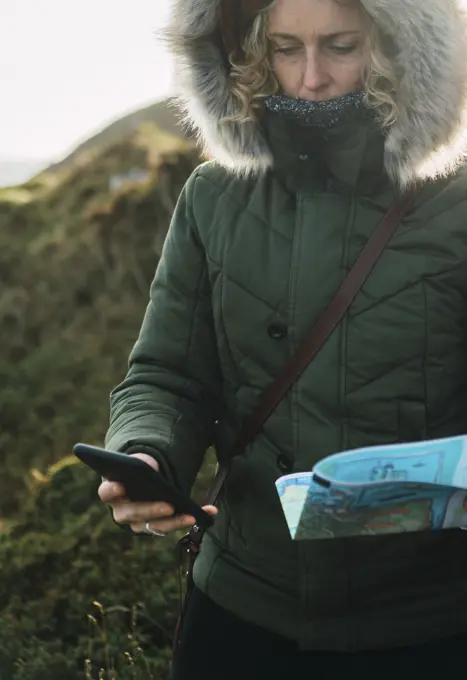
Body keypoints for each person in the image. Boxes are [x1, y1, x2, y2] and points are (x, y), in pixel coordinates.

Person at [98, 0, 467, 677]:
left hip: (428, 624)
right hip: (240, 610)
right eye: (284, 49)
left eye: (342, 46)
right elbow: (167, 375)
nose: (310, 77)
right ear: (244, 52)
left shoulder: (457, 204)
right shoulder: (212, 196)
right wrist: (149, 454)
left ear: (401, 46)